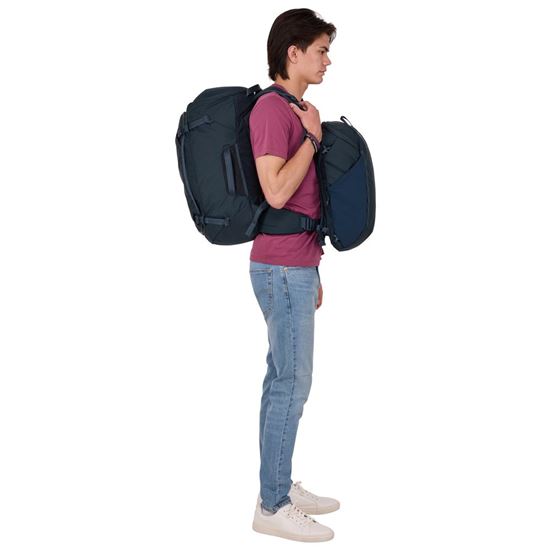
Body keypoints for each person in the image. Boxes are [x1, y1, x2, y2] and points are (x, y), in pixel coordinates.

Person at [248, 9, 340, 543]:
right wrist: (311, 138)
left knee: (280, 379)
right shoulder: (270, 109)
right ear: (294, 52)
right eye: (321, 50)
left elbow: (305, 200)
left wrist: (314, 267)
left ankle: (277, 483)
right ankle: (273, 504)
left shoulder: (297, 110)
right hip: (280, 266)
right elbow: (277, 192)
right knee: (292, 383)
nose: (327, 61)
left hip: (295, 264)